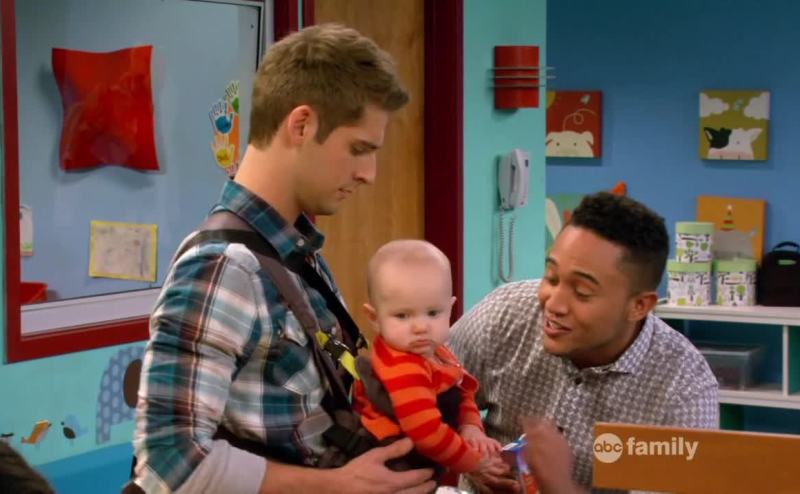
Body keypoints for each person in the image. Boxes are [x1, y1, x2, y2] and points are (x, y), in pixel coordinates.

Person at [130, 24, 436, 494]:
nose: (369, 174)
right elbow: (170, 463)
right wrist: (338, 487)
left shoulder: (292, 255)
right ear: (301, 125)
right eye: (359, 149)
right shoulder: (225, 267)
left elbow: (313, 402)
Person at [449, 192, 720, 493]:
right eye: (551, 277)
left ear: (639, 306)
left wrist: (561, 487)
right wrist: (467, 454)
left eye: (582, 293)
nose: (554, 304)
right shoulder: (504, 314)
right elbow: (423, 388)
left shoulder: (684, 389)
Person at [352, 240, 503, 479]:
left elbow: (462, 389)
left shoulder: (434, 352)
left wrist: (471, 426)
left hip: (427, 461)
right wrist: (474, 463)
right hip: (396, 467)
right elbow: (426, 433)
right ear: (374, 318)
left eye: (433, 313)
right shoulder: (401, 367)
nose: (421, 327)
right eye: (402, 315)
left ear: (450, 309)